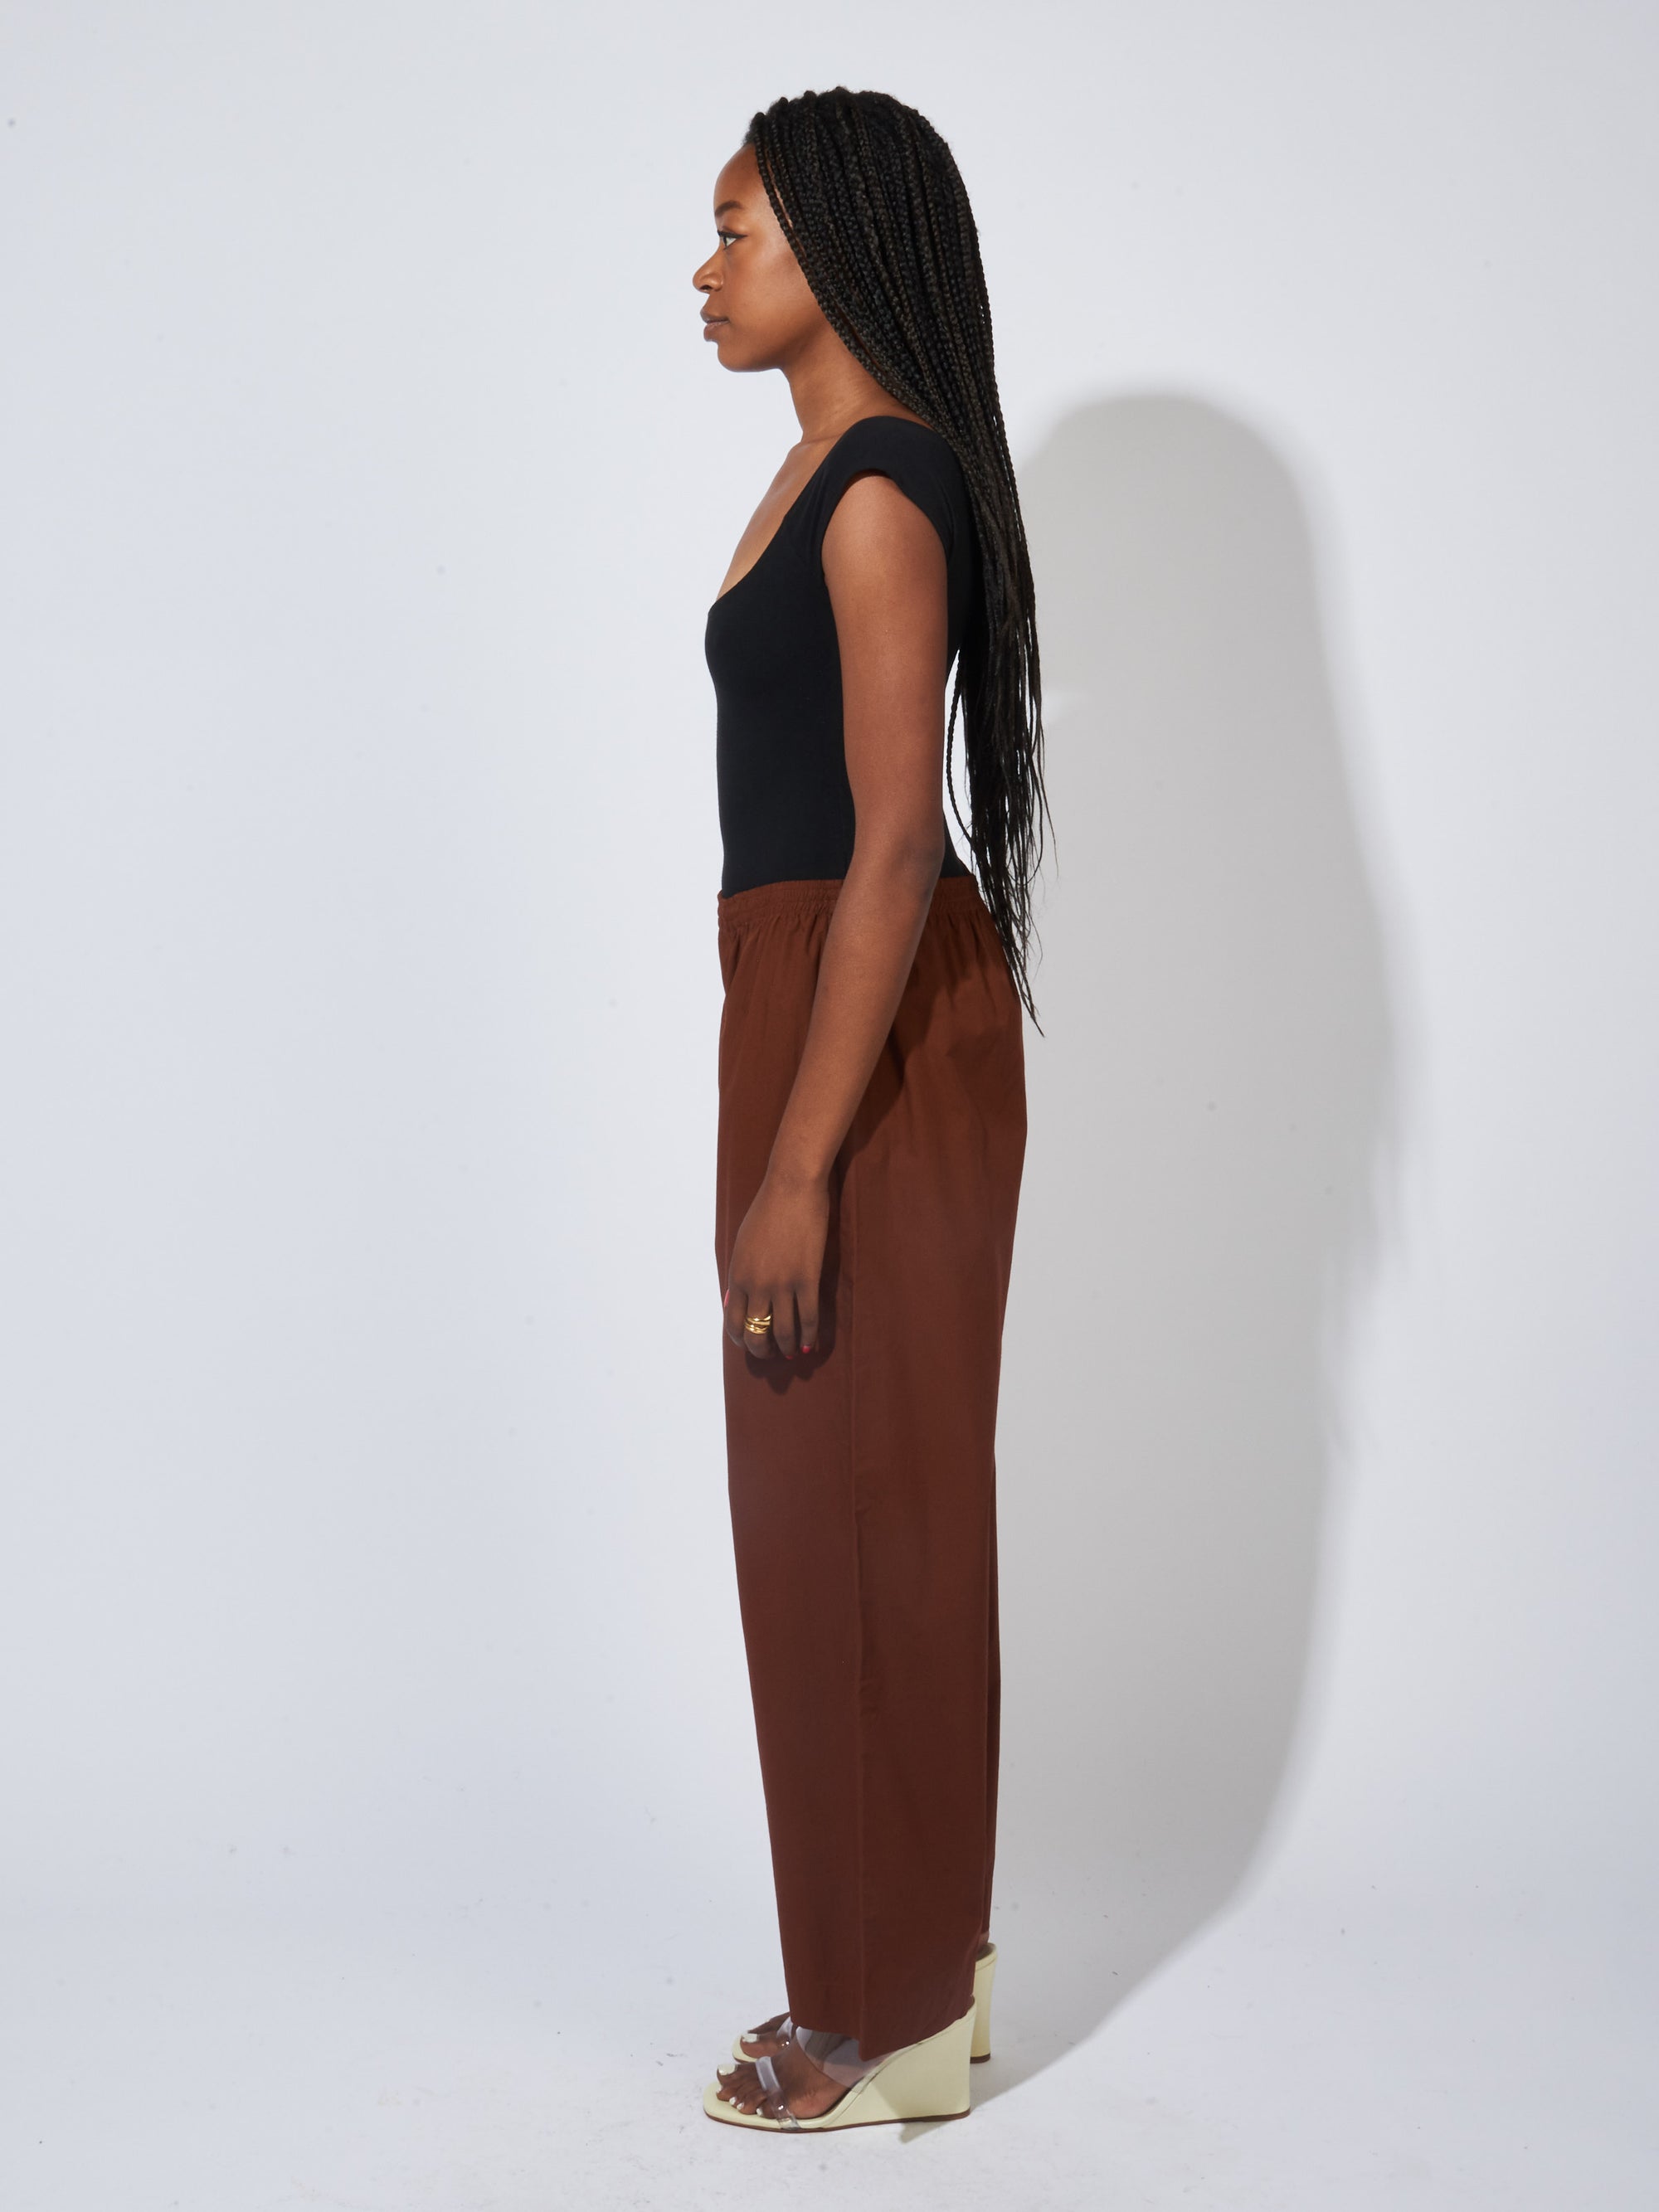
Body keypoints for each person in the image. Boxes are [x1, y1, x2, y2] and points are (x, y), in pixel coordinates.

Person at [693, 86, 1051, 2133]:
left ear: (834, 243)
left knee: (863, 1501)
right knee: (826, 1494)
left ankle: (881, 2006)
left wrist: (799, 1165)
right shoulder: (818, 471)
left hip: (874, 1010)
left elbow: (900, 843)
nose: (705, 269)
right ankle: (908, 1962)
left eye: (737, 229)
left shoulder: (883, 487)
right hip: (803, 986)